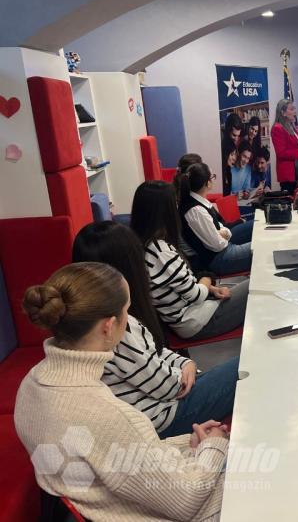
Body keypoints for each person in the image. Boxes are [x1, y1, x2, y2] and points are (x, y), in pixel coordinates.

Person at [16, 262, 228, 521]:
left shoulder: (30, 386)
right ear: (109, 325)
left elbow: (115, 456)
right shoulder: (108, 413)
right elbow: (186, 500)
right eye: (127, 310)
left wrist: (187, 444)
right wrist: (215, 445)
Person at [72, 221, 240, 438]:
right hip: (164, 417)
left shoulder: (110, 314)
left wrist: (186, 362)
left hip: (165, 397)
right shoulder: (112, 328)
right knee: (248, 367)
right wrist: (184, 372)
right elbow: (169, 387)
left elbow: (155, 351)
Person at [130, 181, 249, 341]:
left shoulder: (142, 245)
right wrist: (207, 279)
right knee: (256, 285)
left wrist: (211, 289)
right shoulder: (161, 251)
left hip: (193, 312)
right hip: (196, 321)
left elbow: (181, 286)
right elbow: (196, 295)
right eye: (175, 204)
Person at [178, 162, 253, 275]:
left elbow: (219, 226)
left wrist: (222, 232)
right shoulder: (195, 210)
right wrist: (223, 233)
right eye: (212, 177)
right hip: (219, 259)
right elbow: (217, 245)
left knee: (255, 226)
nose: (213, 180)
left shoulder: (199, 200)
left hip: (223, 247)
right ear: (207, 183)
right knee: (262, 247)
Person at [271, 98, 298, 192]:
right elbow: (281, 153)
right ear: (283, 112)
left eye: (295, 109)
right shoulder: (277, 128)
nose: (295, 112)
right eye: (292, 109)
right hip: (289, 176)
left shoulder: (295, 128)